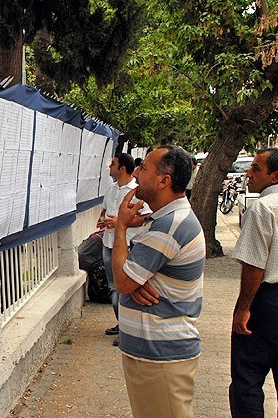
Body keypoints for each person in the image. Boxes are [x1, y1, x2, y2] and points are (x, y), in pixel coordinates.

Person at [112, 145, 205, 418]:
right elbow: (131, 277)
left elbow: (123, 280)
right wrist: (134, 279)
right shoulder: (161, 220)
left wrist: (120, 226)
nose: (137, 173)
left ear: (164, 181)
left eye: (143, 168)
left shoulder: (171, 224)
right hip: (153, 351)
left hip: (161, 353)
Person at [229, 148, 278, 417]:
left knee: (247, 380)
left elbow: (254, 266)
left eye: (256, 168)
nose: (248, 174)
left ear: (275, 176)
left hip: (269, 300)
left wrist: (244, 308)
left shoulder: (262, 207)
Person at [96, 153, 151, 346]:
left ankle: (129, 330)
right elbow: (105, 209)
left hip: (127, 246)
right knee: (113, 287)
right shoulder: (111, 189)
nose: (109, 167)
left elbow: (144, 218)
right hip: (108, 243)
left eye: (113, 164)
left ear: (121, 169)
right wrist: (102, 219)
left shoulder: (136, 192)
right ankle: (121, 324)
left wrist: (120, 222)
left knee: (125, 290)